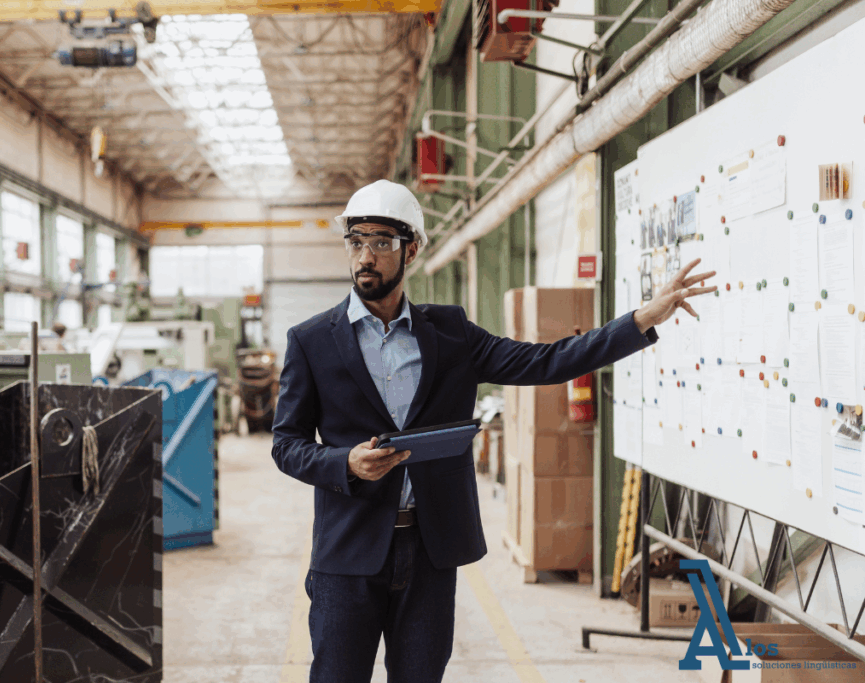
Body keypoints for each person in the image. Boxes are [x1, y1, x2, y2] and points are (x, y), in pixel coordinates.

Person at [270, 179, 716, 683]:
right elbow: (286, 445)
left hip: (430, 550)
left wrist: (637, 321)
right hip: (347, 554)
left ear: (410, 249)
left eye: (380, 243)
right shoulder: (311, 342)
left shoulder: (450, 332)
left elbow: (546, 362)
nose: (364, 257)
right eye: (355, 243)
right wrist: (344, 463)